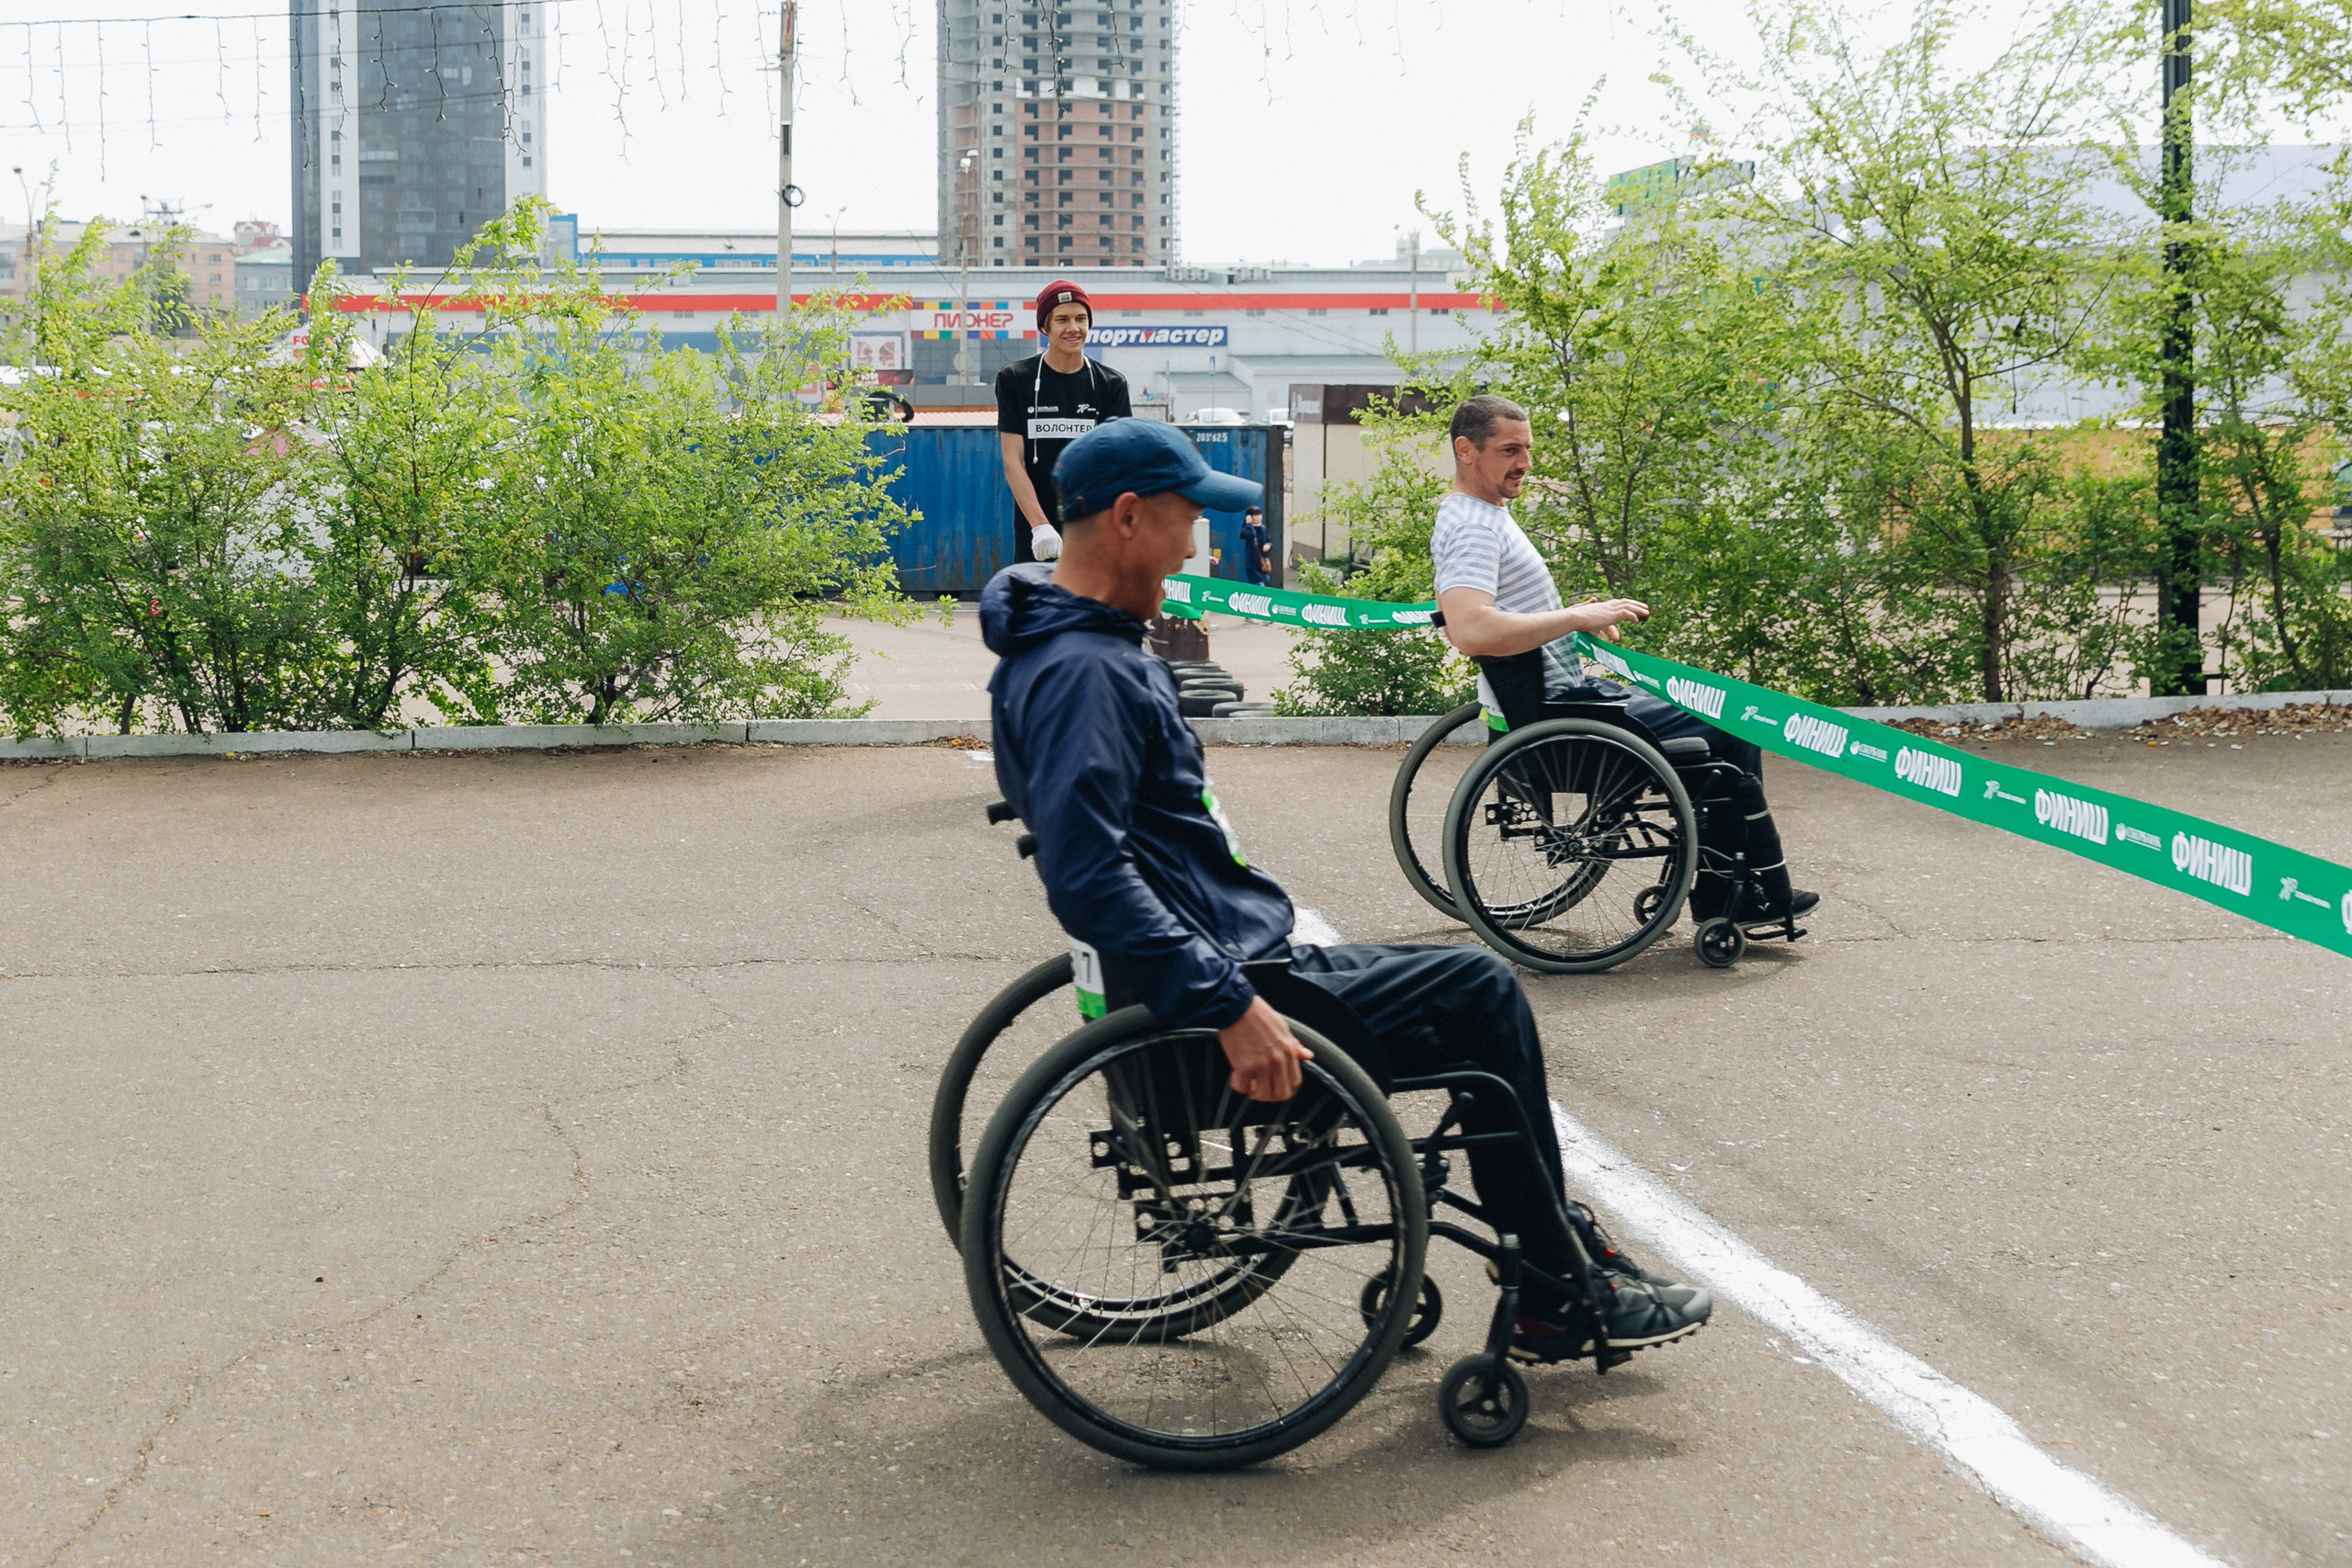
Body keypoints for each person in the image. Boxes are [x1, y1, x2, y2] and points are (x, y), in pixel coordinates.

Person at [980, 416, 1713, 1362]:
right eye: (1186, 515)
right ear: (1126, 517)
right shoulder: (1086, 672)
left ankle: (1558, 1250)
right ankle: (1552, 1290)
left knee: (1457, 990)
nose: (1197, 541)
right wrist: (1232, 1008)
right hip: (1227, 989)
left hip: (1220, 954)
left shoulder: (1058, 644)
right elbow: (1089, 874)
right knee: (1483, 995)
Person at [1431, 393, 1819, 924]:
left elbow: (1506, 618)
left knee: (1708, 712)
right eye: (1509, 450)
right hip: (1560, 713)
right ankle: (1738, 895)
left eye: (1528, 448)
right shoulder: (1474, 525)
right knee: (1730, 724)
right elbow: (1472, 629)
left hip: (1560, 699)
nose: (1525, 462)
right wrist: (1573, 619)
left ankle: (1725, 885)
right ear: (1466, 451)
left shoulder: (1486, 515)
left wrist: (1575, 616)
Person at [995, 278, 1132, 567]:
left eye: (1081, 319)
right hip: (1037, 538)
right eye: (1062, 320)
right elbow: (1013, 461)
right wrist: (1040, 526)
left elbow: (1118, 465)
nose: (1074, 328)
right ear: (1045, 327)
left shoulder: (1111, 384)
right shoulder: (1015, 380)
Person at [1236, 504, 1273, 586]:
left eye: (1260, 514)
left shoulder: (1263, 528)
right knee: (1258, 583)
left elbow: (1268, 540)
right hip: (1252, 562)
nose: (1259, 517)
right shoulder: (1247, 528)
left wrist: (1268, 545)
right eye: (1256, 515)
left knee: (1264, 581)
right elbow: (1250, 535)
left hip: (1262, 562)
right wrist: (1249, 524)